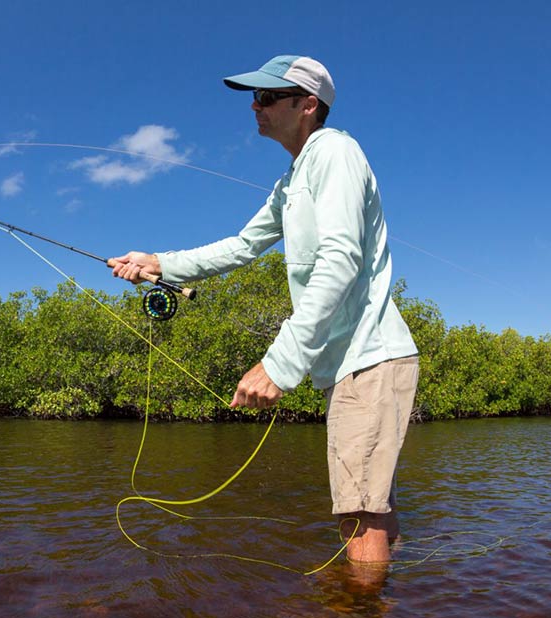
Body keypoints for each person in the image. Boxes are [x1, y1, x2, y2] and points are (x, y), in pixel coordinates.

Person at [111, 55, 419, 567]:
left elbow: (340, 260)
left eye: (269, 97)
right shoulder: (292, 181)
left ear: (308, 105)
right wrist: (158, 262)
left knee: (358, 514)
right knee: (369, 506)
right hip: (351, 365)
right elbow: (239, 246)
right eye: (255, 96)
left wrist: (279, 362)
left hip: (370, 358)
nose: (255, 105)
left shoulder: (334, 151)